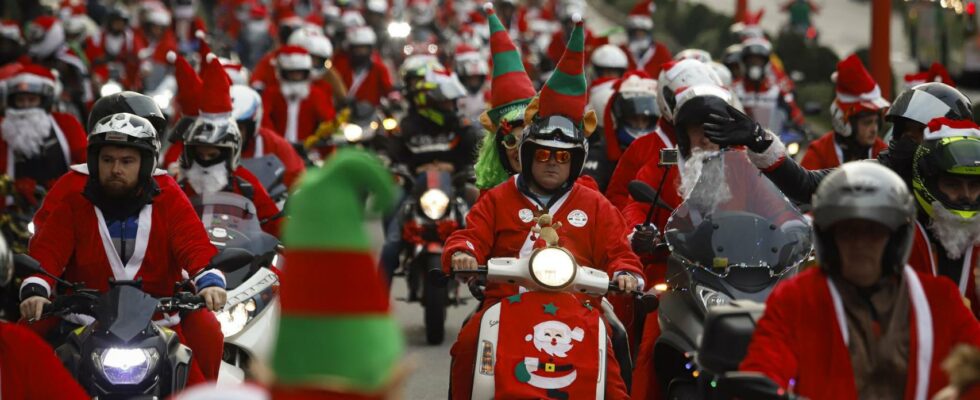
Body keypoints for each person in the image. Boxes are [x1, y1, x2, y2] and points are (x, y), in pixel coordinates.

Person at [444, 18, 642, 399]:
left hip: (581, 304)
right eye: (544, 154)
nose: (553, 163)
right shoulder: (499, 196)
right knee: (468, 344)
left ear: (576, 162)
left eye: (563, 157)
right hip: (504, 301)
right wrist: (463, 254)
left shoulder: (594, 204)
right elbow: (469, 236)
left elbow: (620, 252)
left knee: (617, 346)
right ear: (528, 154)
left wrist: (626, 273)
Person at [704, 83, 980, 317]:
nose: (965, 194)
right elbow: (807, 185)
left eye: (919, 133)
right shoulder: (881, 174)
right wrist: (759, 140)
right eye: (905, 133)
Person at [739, 162, 980, 398]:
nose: (860, 243)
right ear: (829, 238)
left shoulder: (939, 300)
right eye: (848, 231)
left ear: (895, 238)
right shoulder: (796, 298)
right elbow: (764, 368)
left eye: (874, 231)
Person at [20, 112, 225, 384]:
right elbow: (48, 252)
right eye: (107, 160)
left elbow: (194, 244)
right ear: (95, 162)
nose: (116, 169)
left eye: (127, 161)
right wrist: (36, 290)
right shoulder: (73, 200)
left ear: (145, 164)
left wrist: (208, 282)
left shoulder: (169, 196)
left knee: (208, 330)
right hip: (83, 321)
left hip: (159, 321)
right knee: (23, 338)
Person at [179, 57, 282, 236]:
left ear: (230, 153)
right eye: (200, 155)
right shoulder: (179, 186)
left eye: (213, 155)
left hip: (239, 262)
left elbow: (275, 224)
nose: (205, 162)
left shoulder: (246, 185)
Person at [0, 64, 87, 204]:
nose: (26, 105)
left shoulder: (66, 123)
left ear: (43, 100)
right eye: (20, 100)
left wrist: (71, 186)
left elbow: (87, 161)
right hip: (15, 211)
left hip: (63, 204)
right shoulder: (3, 130)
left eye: (31, 100)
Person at [473, 3, 537, 192]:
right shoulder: (489, 199)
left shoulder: (573, 190)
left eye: (526, 139)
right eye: (510, 141)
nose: (519, 149)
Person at [801, 54, 888, 170]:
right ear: (844, 123)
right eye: (867, 123)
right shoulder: (819, 153)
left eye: (876, 122)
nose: (874, 129)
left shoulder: (882, 152)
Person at [594, 72, 659, 193]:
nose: (640, 125)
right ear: (619, 117)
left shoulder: (663, 152)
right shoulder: (601, 153)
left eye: (645, 120)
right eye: (634, 119)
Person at [231, 84, 306, 188]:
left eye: (239, 128)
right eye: (227, 127)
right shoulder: (210, 147)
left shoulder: (274, 144)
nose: (232, 134)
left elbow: (297, 179)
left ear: (251, 127)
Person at [261, 45, 337, 146]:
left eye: (300, 73)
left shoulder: (316, 94)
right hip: (277, 148)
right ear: (282, 72)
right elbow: (264, 120)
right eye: (291, 73)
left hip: (309, 149)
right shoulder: (271, 93)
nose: (296, 77)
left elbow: (328, 119)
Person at [732, 37, 805, 134]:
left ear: (766, 63)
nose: (755, 64)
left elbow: (792, 110)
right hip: (739, 141)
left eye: (758, 61)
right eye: (751, 61)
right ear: (744, 62)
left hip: (771, 139)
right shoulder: (734, 88)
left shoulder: (777, 89)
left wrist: (801, 124)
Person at [331, 25, 397, 107]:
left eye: (364, 48)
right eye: (357, 49)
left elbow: (388, 89)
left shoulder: (379, 69)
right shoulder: (340, 65)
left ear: (370, 49)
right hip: (342, 112)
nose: (360, 52)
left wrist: (394, 97)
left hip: (371, 114)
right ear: (350, 49)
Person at [622, 0, 672, 78]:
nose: (638, 34)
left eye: (642, 31)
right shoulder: (622, 50)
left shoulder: (661, 52)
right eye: (635, 31)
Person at [453, 44, 489, 126]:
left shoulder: (487, 91)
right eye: (471, 78)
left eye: (477, 77)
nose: (474, 81)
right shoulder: (457, 96)